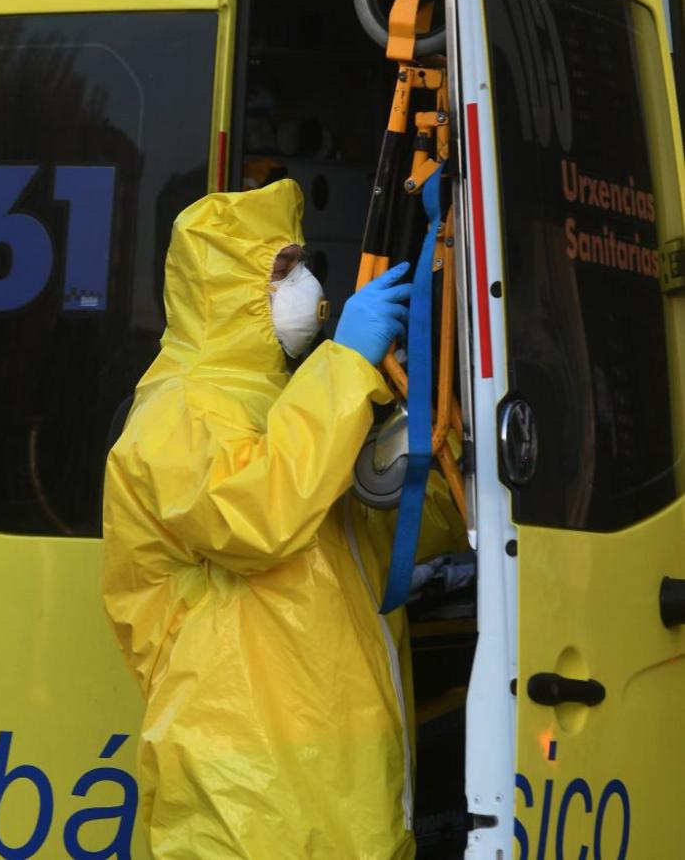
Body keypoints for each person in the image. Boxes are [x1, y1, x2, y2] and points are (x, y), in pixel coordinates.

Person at [102, 177, 466, 860]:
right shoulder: (177, 411)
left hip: (342, 789)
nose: (304, 280)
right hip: (242, 799)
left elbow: (371, 538)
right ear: (224, 284)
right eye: (282, 266)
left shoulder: (294, 406)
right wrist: (346, 365)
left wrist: (432, 453)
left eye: (301, 261)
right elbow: (260, 514)